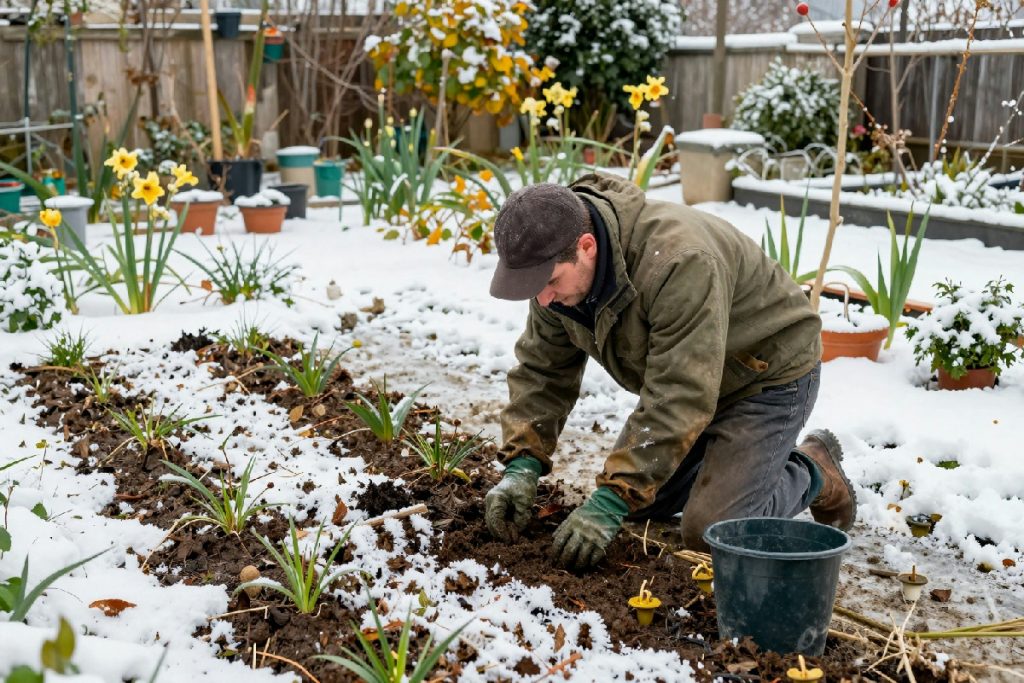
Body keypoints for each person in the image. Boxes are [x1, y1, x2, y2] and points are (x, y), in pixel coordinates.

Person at [483, 173, 856, 570]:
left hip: (765, 374)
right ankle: (726, 460)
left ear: (586, 247)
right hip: (698, 378)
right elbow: (543, 371)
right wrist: (522, 464)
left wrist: (613, 498)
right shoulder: (557, 276)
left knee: (712, 531)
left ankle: (815, 468)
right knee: (638, 501)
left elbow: (679, 393)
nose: (543, 299)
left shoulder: (679, 263)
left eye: (550, 281)